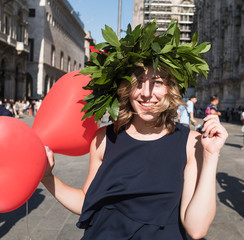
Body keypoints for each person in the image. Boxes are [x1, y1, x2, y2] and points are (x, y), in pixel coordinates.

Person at [41, 20, 228, 240]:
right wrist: (46, 177)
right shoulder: (103, 138)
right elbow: (88, 203)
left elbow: (196, 229)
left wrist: (211, 156)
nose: (147, 93)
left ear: (171, 89)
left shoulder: (191, 143)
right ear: (125, 89)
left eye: (157, 82)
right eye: (138, 82)